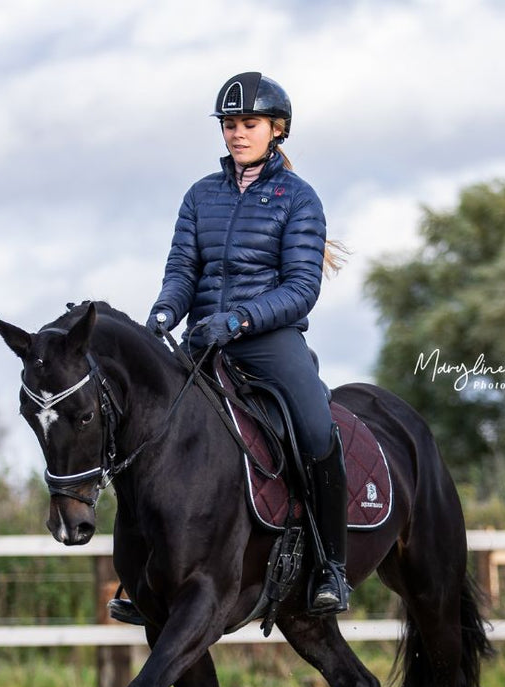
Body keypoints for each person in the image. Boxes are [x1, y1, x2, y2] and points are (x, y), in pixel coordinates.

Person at [144, 71, 350, 616]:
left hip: (268, 339)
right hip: (203, 338)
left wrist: (237, 320)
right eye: (230, 124)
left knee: (316, 426)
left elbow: (301, 288)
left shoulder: (299, 198)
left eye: (249, 124)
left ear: (277, 129)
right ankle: (143, 572)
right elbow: (182, 270)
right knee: (146, 422)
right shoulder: (200, 196)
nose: (237, 133)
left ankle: (332, 566)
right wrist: (164, 312)